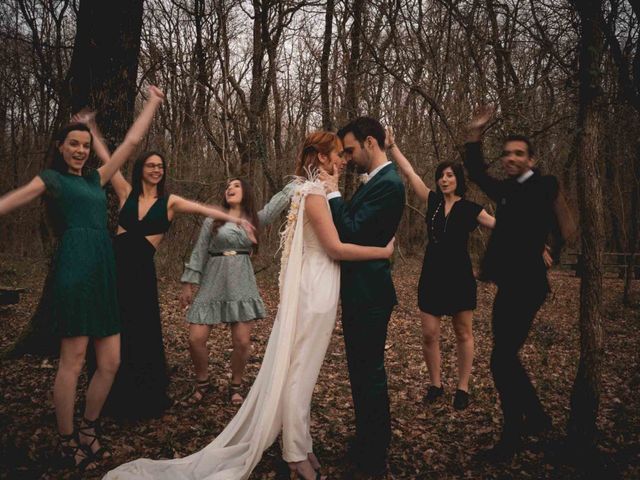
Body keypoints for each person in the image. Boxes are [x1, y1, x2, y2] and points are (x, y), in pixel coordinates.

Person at [104, 131, 394, 480]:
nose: (343, 160)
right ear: (320, 157)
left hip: (316, 284)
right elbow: (335, 247)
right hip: (317, 288)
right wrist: (384, 252)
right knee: (302, 371)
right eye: (337, 154)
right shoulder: (313, 194)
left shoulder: (308, 192)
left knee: (300, 366)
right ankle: (296, 451)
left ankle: (300, 444)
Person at [0, 86, 164, 470]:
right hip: (74, 273)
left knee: (110, 361)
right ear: (60, 146)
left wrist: (153, 102)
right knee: (71, 361)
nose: (79, 150)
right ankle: (67, 436)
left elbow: (132, 141)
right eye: (73, 144)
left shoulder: (95, 180)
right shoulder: (51, 181)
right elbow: (12, 199)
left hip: (105, 273)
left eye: (84, 146)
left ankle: (89, 428)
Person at [79, 118, 257, 421]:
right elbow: (109, 160)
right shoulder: (126, 192)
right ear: (141, 169)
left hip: (141, 274)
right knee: (109, 332)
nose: (156, 170)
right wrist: (91, 130)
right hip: (112, 270)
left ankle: (141, 397)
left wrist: (237, 220)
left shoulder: (170, 202)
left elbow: (201, 209)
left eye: (160, 166)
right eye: (150, 165)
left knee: (141, 332)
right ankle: (106, 396)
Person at [464, 106, 573, 461]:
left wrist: (552, 250)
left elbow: (566, 226)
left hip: (529, 286)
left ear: (531, 159)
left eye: (518, 154)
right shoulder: (507, 189)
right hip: (508, 283)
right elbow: (477, 173)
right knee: (503, 357)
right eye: (507, 153)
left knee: (501, 359)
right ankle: (536, 417)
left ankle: (512, 437)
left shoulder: (544, 185)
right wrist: (475, 134)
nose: (510, 158)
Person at [385, 127, 495, 410]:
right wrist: (393, 146)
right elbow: (409, 172)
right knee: (429, 334)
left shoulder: (471, 208)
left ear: (458, 179)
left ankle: (463, 387)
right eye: (441, 175)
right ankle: (435, 384)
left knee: (463, 333)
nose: (444, 179)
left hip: (459, 276)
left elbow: (501, 227)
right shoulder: (432, 201)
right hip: (432, 276)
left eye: (450, 175)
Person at [320, 117, 405, 477]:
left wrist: (334, 193)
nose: (349, 158)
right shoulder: (375, 181)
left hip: (371, 294)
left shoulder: (390, 184)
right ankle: (366, 439)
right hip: (360, 291)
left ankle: (374, 451)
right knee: (360, 371)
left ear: (371, 142)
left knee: (369, 372)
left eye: (351, 149)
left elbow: (352, 230)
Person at [179, 177, 294, 407]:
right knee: (195, 338)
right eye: (228, 186)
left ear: (246, 192)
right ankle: (203, 382)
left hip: (241, 280)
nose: (230, 188)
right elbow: (200, 250)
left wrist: (297, 184)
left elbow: (275, 203)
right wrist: (188, 282)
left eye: (236, 185)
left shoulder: (254, 220)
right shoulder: (213, 220)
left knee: (242, 341)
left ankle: (236, 384)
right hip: (213, 278)